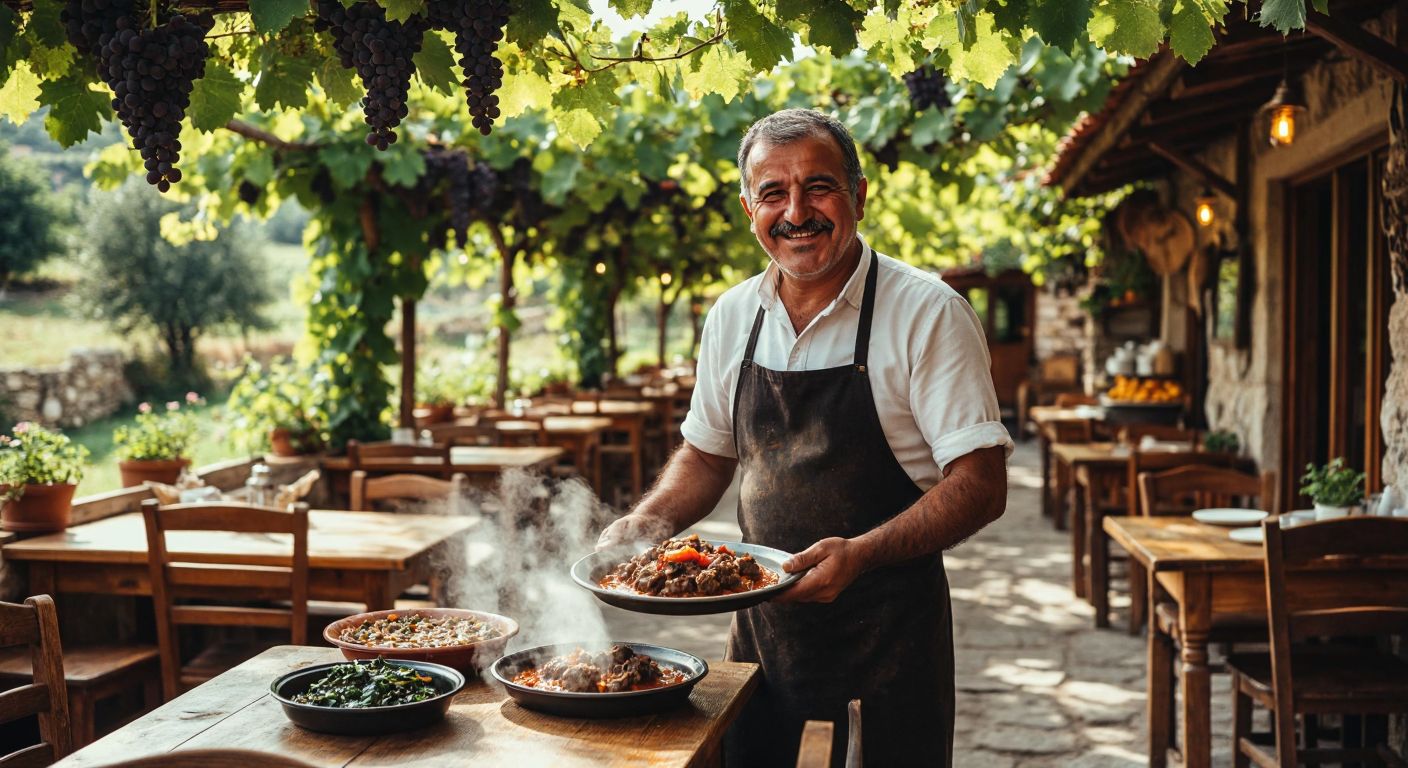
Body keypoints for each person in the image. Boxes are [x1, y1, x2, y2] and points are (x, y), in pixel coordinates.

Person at [597, 108, 1011, 767]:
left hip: (889, 643)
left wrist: (863, 553)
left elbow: (981, 485)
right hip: (762, 644)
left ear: (859, 196)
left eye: (818, 186)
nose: (797, 211)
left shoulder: (927, 312)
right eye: (773, 192)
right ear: (748, 207)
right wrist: (650, 519)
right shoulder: (733, 316)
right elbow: (707, 455)